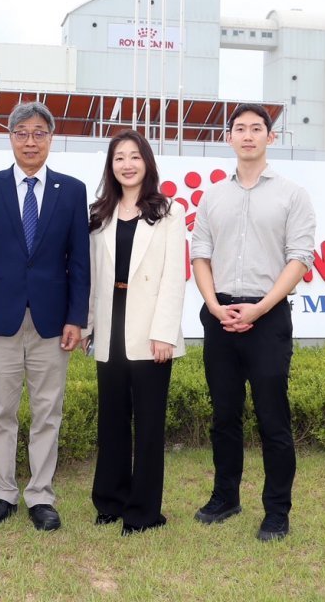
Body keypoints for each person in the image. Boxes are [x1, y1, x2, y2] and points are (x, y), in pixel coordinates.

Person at [189, 102, 316, 541]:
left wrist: (260, 309)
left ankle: (277, 511)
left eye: (256, 129)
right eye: (239, 128)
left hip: (269, 317)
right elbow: (199, 254)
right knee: (224, 416)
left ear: (270, 138)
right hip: (220, 314)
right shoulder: (213, 196)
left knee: (272, 418)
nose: (247, 135)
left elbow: (300, 259)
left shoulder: (292, 195)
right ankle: (226, 497)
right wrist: (214, 305)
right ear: (229, 137)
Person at [0, 101, 90, 531]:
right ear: (10, 139)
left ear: (51, 139)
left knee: (47, 411)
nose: (30, 140)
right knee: (1, 411)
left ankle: (40, 495)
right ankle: (3, 493)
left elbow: (79, 262)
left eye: (39, 132)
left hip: (53, 323)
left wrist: (77, 317)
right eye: (22, 132)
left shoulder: (71, 191)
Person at [83, 130, 185, 536]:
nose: (127, 164)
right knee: (110, 420)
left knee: (148, 425)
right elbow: (92, 277)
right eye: (119, 157)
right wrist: (87, 327)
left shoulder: (168, 212)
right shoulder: (99, 213)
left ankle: (143, 511)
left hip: (149, 331)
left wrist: (164, 332)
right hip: (110, 324)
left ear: (147, 163)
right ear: (111, 166)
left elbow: (173, 279)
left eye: (134, 156)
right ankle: (109, 501)